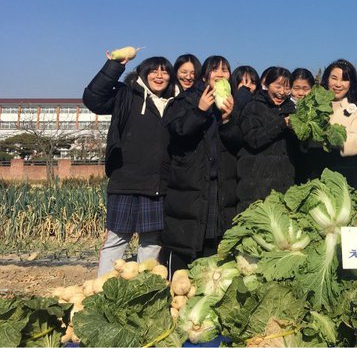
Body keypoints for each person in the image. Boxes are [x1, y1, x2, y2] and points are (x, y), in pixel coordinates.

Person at [84, 53, 177, 276]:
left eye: (165, 71)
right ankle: (105, 288)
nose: (159, 75)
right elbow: (93, 99)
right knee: (117, 238)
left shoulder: (174, 102)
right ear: (143, 74)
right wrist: (114, 65)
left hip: (157, 184)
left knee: (152, 240)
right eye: (154, 70)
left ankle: (145, 288)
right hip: (125, 180)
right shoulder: (126, 94)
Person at [163, 55, 237, 275]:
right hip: (191, 183)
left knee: (213, 242)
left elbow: (238, 143)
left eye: (225, 70)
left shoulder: (232, 102)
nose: (221, 74)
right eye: (215, 70)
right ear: (205, 75)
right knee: (186, 243)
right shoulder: (185, 100)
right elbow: (177, 132)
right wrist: (200, 111)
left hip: (220, 185)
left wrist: (227, 120)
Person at [224, 66, 298, 212]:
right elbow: (253, 139)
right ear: (266, 84)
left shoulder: (293, 110)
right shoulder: (253, 106)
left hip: (284, 184)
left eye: (287, 88)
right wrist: (282, 124)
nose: (282, 92)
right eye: (277, 86)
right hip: (255, 186)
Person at [311, 59, 357, 188]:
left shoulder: (356, 109)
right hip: (316, 167)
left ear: (350, 83)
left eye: (344, 79)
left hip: (345, 170)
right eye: (334, 78)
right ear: (327, 79)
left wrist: (335, 138)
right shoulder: (314, 105)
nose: (338, 84)